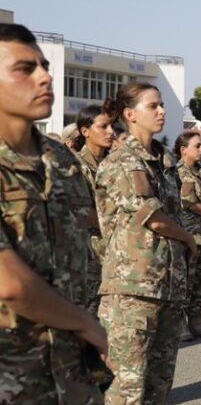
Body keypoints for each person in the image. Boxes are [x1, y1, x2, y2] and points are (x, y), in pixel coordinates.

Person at [0, 24, 108, 405]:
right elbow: (10, 283)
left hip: (56, 384)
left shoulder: (58, 160)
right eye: (25, 69)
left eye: (44, 66)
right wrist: (86, 323)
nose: (45, 77)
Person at [95, 81, 196, 405]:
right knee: (129, 381)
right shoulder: (124, 160)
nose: (161, 112)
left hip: (166, 286)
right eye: (152, 105)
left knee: (158, 380)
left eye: (161, 105)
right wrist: (188, 238)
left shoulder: (163, 161)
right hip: (132, 288)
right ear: (129, 113)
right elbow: (152, 217)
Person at [73, 104, 116, 315]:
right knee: (89, 315)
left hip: (115, 252)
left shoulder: (113, 164)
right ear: (85, 131)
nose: (111, 132)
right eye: (103, 126)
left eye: (111, 126)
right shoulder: (76, 166)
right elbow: (84, 210)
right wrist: (119, 230)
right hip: (91, 255)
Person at [175, 130, 201, 341]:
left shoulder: (200, 170)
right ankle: (180, 322)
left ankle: (196, 320)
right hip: (189, 235)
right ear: (183, 150)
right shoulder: (180, 173)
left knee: (199, 281)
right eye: (197, 146)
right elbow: (190, 203)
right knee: (186, 280)